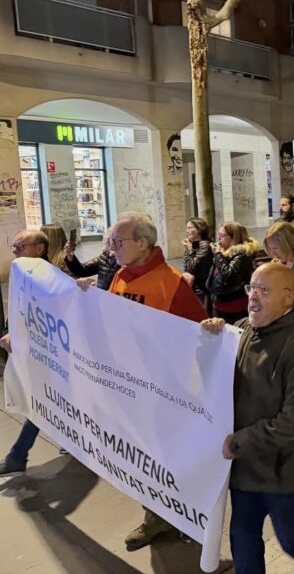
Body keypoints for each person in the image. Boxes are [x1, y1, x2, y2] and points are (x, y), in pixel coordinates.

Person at [202, 263, 294, 574]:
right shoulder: (243, 330)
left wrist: (240, 441)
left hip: (287, 470)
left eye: (264, 291)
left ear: (288, 297)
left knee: (293, 539)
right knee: (243, 538)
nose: (253, 297)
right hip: (247, 466)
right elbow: (215, 373)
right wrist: (212, 336)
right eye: (251, 289)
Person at [100, 212, 207, 550]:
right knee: (140, 459)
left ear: (142, 244)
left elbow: (198, 337)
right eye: (110, 242)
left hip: (164, 393)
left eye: (118, 242)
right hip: (126, 388)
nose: (111, 248)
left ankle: (186, 517)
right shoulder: (120, 276)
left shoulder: (171, 282)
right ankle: (155, 517)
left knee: (170, 459)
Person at [0, 230, 50, 477]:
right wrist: (12, 332)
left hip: (50, 355)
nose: (15, 250)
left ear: (39, 248)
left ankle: (18, 455)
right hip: (35, 353)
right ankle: (17, 455)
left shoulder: (51, 278)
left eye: (21, 245)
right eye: (15, 245)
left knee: (42, 402)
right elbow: (20, 308)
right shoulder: (23, 273)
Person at [207, 221, 259, 324]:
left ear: (234, 237)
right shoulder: (223, 252)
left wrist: (217, 254)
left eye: (222, 235)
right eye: (218, 234)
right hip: (219, 303)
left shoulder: (241, 255)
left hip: (234, 307)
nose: (219, 238)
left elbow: (228, 275)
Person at [182, 217, 213, 311]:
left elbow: (192, 267)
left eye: (191, 228)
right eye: (187, 228)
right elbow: (186, 267)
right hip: (193, 287)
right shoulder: (192, 244)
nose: (188, 231)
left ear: (200, 229)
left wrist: (189, 249)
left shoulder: (205, 245)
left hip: (202, 289)